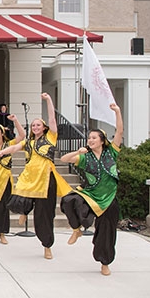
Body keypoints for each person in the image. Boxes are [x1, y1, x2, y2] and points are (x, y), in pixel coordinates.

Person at [0, 93, 72, 260]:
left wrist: (48, 100)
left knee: (44, 216)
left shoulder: (51, 138)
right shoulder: (29, 143)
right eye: (33, 125)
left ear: (44, 127)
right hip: (30, 178)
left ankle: (47, 245)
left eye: (38, 125)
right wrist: (3, 151)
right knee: (17, 197)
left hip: (46, 180)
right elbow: (15, 147)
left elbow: (53, 119)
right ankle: (25, 209)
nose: (35, 127)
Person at [60, 103, 124, 276]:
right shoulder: (85, 157)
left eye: (94, 138)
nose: (90, 140)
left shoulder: (111, 153)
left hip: (109, 198)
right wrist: (76, 151)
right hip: (91, 196)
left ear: (102, 141)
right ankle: (76, 229)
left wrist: (117, 112)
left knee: (106, 233)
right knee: (68, 200)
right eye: (89, 138)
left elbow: (119, 131)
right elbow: (63, 158)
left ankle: (105, 263)